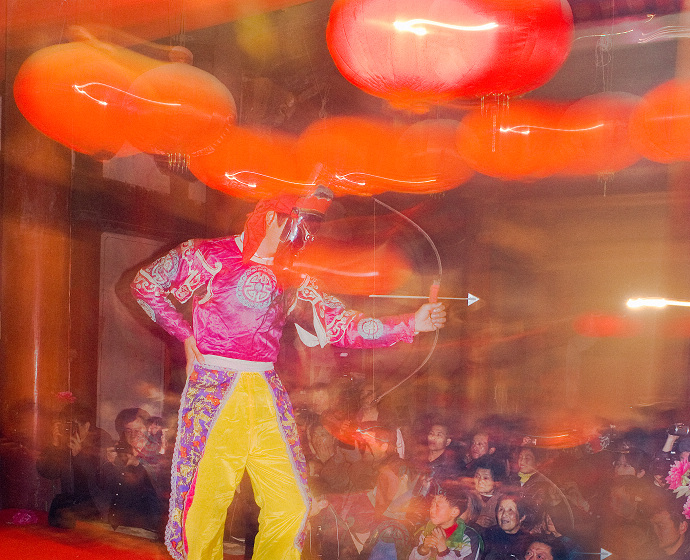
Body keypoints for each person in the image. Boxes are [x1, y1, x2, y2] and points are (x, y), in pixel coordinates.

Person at [130, 186, 446, 560]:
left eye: (309, 232)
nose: (302, 240)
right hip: (215, 390)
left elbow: (342, 325)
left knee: (292, 504)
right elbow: (145, 285)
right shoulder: (207, 254)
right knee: (204, 505)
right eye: (297, 228)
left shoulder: (292, 277)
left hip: (267, 394)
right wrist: (184, 334)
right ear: (270, 220)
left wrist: (411, 323)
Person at [36, 405, 111, 528]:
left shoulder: (102, 440)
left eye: (73, 426)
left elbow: (102, 478)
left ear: (87, 426)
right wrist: (54, 445)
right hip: (67, 507)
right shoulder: (64, 441)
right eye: (66, 426)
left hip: (93, 508)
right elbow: (49, 473)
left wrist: (80, 455)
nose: (70, 430)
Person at [409, 484, 483, 560]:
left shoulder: (468, 539)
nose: (432, 510)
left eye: (438, 506)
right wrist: (423, 549)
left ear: (454, 512)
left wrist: (443, 551)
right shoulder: (426, 531)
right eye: (432, 505)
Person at [481, 493, 533, 560]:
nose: (504, 515)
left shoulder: (528, 542)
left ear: (522, 517)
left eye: (510, 510)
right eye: (501, 509)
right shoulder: (487, 535)